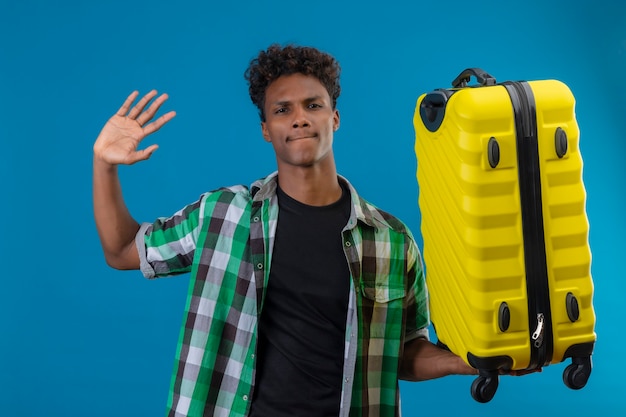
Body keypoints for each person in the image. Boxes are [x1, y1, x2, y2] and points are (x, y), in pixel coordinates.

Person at [92, 44, 476, 417]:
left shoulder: (391, 240)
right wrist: (103, 164)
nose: (299, 118)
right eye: (282, 109)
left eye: (313, 105)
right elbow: (123, 248)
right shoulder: (222, 215)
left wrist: (465, 361)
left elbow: (404, 351)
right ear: (266, 129)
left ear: (335, 118)